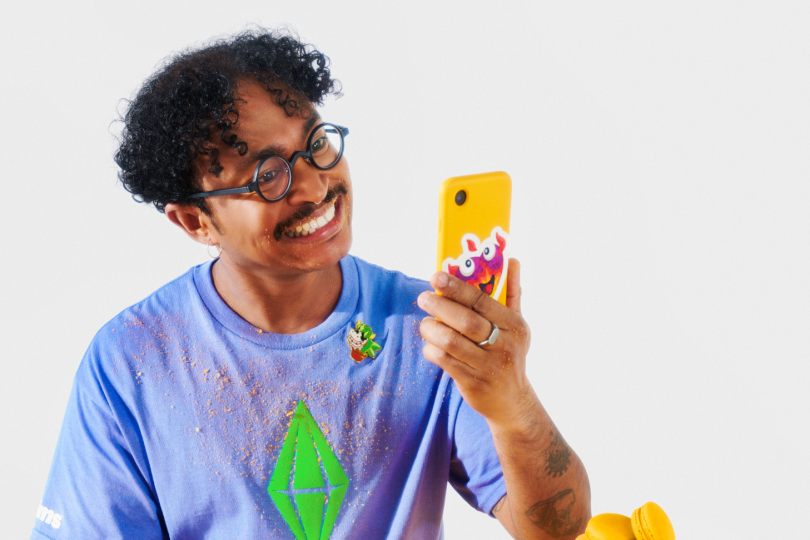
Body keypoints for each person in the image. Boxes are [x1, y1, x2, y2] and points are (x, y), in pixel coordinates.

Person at [32, 29, 590, 540]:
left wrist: (512, 403)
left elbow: (556, 530)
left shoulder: (430, 330)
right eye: (267, 175)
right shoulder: (133, 360)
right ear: (196, 222)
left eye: (316, 142)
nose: (316, 186)